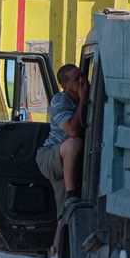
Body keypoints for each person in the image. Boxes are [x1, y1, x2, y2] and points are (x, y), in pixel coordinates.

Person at [36, 63, 88, 211]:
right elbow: (72, 130)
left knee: (64, 214)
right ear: (65, 85)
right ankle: (71, 195)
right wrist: (83, 100)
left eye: (82, 76)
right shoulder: (60, 101)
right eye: (76, 79)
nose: (81, 81)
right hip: (51, 155)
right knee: (73, 143)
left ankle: (62, 231)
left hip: (68, 158)